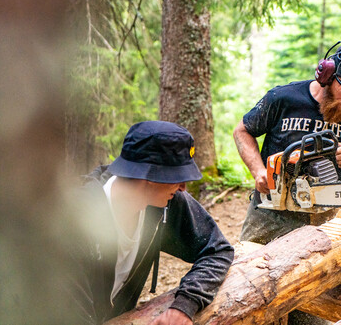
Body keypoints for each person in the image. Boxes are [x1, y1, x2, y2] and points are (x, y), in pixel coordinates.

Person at [233, 43, 341, 324]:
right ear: (326, 76)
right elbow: (242, 131)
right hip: (270, 215)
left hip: (325, 221)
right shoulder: (283, 98)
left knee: (314, 303)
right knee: (252, 294)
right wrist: (257, 170)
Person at [72, 121, 234, 325]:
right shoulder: (75, 219)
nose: (183, 187)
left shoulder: (168, 201)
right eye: (178, 177)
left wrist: (185, 305)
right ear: (148, 175)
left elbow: (217, 250)